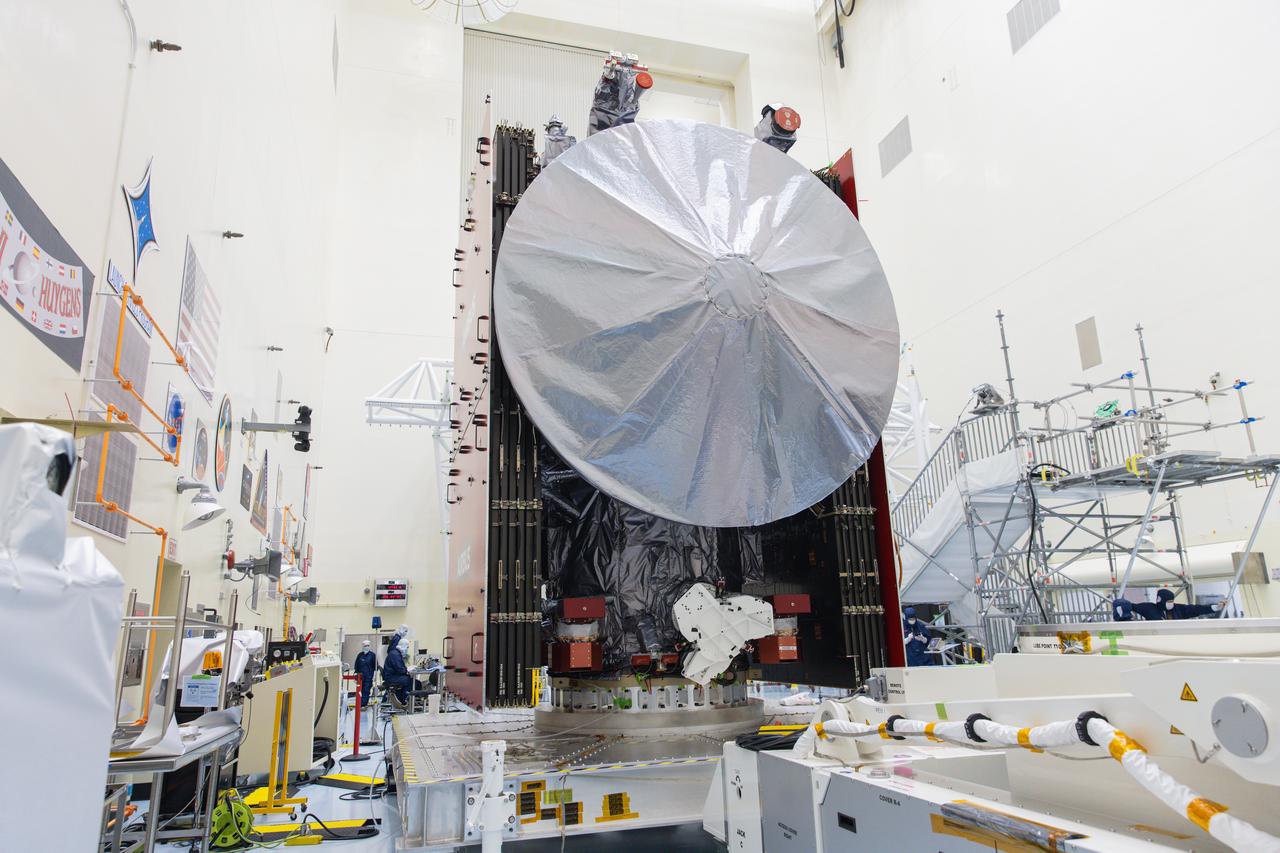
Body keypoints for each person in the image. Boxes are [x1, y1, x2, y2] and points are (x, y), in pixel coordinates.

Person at [382, 638, 412, 704]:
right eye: (407, 647)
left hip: (392, 676)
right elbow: (400, 669)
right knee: (410, 682)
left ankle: (400, 700)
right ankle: (404, 701)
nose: (407, 649)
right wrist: (407, 670)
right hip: (392, 678)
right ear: (403, 646)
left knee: (409, 680)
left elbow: (400, 668)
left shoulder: (395, 653)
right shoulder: (395, 655)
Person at [353, 640, 377, 707]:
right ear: (363, 646)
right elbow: (356, 665)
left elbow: (375, 666)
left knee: (366, 691)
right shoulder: (360, 655)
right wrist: (355, 674)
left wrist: (374, 676)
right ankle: (360, 704)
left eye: (368, 646)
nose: (367, 647)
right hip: (360, 677)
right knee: (360, 691)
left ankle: (363, 705)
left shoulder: (372, 655)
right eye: (365, 646)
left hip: (368, 677)